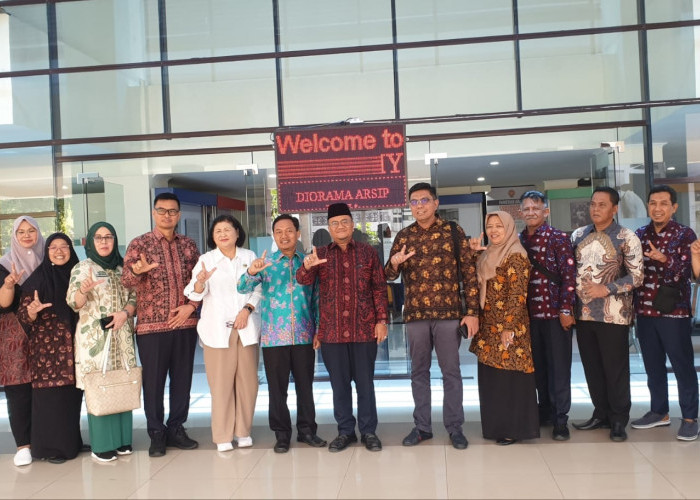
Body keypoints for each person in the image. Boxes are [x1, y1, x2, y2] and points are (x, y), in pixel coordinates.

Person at [385, 183, 478, 450]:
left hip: (449, 314)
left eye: (424, 200)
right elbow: (388, 275)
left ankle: (455, 428)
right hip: (415, 316)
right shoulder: (404, 236)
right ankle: (422, 427)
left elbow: (469, 273)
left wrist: (471, 312)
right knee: (418, 373)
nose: (419, 206)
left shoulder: (452, 231)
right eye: (414, 202)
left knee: (451, 372)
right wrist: (394, 263)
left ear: (436, 203)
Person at [296, 202, 389, 453]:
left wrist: (381, 321)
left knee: (365, 384)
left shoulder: (368, 253)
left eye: (344, 222)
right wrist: (307, 266)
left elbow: (379, 288)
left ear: (352, 224)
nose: (340, 227)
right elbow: (303, 280)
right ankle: (345, 431)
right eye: (335, 223)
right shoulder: (321, 254)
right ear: (329, 227)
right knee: (339, 386)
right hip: (332, 332)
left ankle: (369, 431)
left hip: (363, 330)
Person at [121, 192, 201, 457]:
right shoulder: (139, 244)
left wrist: (192, 306)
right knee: (153, 383)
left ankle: (176, 428)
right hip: (151, 328)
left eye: (172, 211)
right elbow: (126, 282)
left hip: (185, 324)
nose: (167, 215)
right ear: (154, 213)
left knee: (182, 381)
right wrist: (137, 271)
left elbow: (201, 282)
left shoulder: (189, 245)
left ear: (178, 215)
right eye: (162, 210)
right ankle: (156, 433)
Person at [238, 214, 326, 453]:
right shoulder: (265, 263)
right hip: (273, 336)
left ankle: (307, 431)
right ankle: (281, 434)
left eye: (289, 231)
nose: (284, 235)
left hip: (304, 333)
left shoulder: (308, 262)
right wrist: (252, 272)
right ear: (273, 235)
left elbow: (317, 298)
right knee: (277, 389)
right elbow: (242, 288)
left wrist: (318, 329)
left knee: (305, 386)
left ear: (298, 234)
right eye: (279, 231)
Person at [571, 186, 644, 442]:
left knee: (615, 369)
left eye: (602, 205)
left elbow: (636, 276)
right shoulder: (578, 235)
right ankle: (600, 413)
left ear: (614, 209)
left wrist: (607, 288)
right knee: (592, 368)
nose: (595, 209)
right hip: (583, 314)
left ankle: (618, 420)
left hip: (614, 315)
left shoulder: (627, 237)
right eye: (592, 204)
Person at [184, 215, 262, 452]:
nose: (223, 234)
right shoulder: (206, 260)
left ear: (237, 233)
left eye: (228, 229)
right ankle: (223, 435)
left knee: (248, 383)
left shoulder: (249, 257)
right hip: (217, 331)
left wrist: (246, 310)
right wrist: (199, 283)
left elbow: (259, 287)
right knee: (221, 385)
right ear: (212, 236)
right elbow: (194, 293)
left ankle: (243, 431)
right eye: (218, 231)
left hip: (245, 327)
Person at [632, 185, 698, 440]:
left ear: (674, 207)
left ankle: (691, 417)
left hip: (674, 313)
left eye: (663, 203)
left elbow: (689, 273)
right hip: (645, 311)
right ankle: (659, 412)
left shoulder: (684, 234)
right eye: (652, 203)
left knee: (682, 366)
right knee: (652, 365)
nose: (657, 208)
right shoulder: (639, 234)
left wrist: (664, 259)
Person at [67, 222, 137, 462]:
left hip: (122, 334)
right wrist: (83, 291)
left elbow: (135, 297)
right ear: (90, 241)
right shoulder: (82, 268)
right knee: (100, 385)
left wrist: (125, 313)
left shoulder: (122, 268)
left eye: (109, 237)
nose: (104, 241)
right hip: (95, 337)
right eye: (98, 238)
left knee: (121, 381)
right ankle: (102, 444)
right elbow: (73, 303)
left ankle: (122, 440)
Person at [468, 211, 539, 445]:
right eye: (490, 226)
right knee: (492, 379)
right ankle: (495, 427)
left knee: (510, 379)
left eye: (499, 226)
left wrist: (508, 327)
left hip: (510, 326)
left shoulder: (516, 255)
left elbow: (518, 294)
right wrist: (471, 255)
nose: (494, 230)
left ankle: (513, 429)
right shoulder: (487, 254)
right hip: (488, 327)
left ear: (509, 228)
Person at [17, 233, 84, 463]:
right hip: (48, 351)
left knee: (72, 398)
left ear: (70, 249)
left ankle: (72, 442)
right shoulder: (38, 279)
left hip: (76, 346)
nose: (58, 251)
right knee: (51, 400)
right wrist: (33, 311)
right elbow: (23, 315)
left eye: (63, 246)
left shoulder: (79, 274)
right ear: (46, 252)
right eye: (53, 247)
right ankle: (51, 449)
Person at [518, 190, 577, 441]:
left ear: (546, 211)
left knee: (559, 369)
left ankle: (560, 420)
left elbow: (569, 276)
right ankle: (544, 412)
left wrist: (566, 309)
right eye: (527, 209)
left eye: (536, 208)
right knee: (537, 368)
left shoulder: (558, 238)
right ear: (520, 212)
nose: (531, 212)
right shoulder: (517, 239)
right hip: (528, 316)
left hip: (554, 315)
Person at [0, 216, 45, 467]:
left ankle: (44, 439)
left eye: (31, 231)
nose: (27, 236)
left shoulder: (47, 261)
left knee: (47, 387)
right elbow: (3, 303)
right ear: (14, 237)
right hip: (15, 334)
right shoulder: (5, 265)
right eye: (21, 232)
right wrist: (8, 284)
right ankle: (23, 446)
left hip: (47, 332)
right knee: (19, 388)